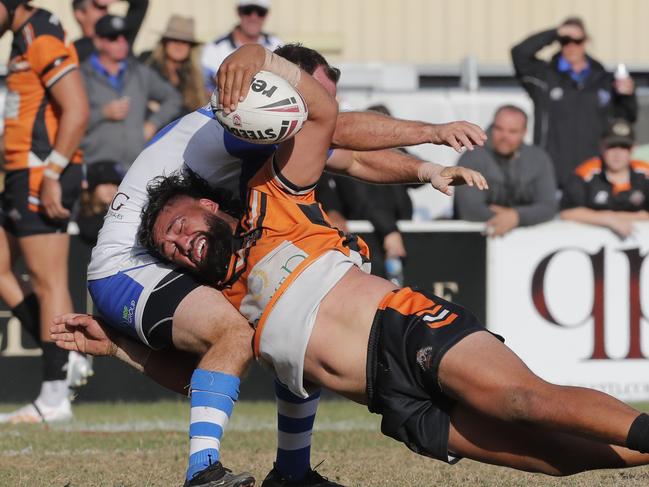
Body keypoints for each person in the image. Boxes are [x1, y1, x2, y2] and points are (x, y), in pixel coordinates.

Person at [63, 47, 649, 480]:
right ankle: (292, 472)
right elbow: (197, 376)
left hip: (404, 328)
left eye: (181, 226)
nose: (179, 243)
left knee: (525, 403)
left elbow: (328, 127)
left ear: (212, 201)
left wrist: (258, 56)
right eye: (168, 248)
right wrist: (116, 347)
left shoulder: (276, 199)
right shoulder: (226, 308)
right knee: (552, 461)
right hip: (391, 401)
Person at [73, 41, 487, 487]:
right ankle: (203, 473)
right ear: (285, 82)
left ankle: (291, 472)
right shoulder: (248, 106)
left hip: (157, 251)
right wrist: (431, 130)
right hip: (127, 264)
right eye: (317, 94)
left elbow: (352, 158)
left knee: (288, 329)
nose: (321, 106)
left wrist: (425, 172)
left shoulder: (262, 117)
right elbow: (340, 131)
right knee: (234, 334)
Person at [0, 0, 90, 423]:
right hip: (21, 172)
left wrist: (53, 171)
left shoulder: (42, 33)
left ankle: (54, 396)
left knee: (48, 279)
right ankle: (66, 355)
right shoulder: (22, 39)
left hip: (41, 172)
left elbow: (77, 108)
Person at [511, 16, 637, 188]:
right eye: (565, 40)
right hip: (551, 175)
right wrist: (555, 32)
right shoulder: (544, 76)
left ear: (585, 41)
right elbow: (519, 54)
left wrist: (628, 95)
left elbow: (628, 117)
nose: (570, 45)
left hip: (593, 176)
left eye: (577, 40)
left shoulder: (604, 80)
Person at [80, 14, 182, 168]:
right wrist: (103, 112)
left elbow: (173, 98)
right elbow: (70, 119)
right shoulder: (81, 75)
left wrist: (153, 123)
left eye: (124, 36)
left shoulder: (140, 72)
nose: (121, 42)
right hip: (96, 165)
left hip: (136, 164)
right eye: (113, 37)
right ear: (98, 41)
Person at [454, 105, 558, 236]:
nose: (504, 136)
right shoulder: (472, 158)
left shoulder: (538, 159)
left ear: (524, 132)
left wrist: (516, 216)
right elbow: (469, 210)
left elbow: (548, 208)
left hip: (528, 243)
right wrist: (515, 216)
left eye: (512, 131)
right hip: (475, 241)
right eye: (499, 129)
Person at [560, 119, 649, 238]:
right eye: (612, 146)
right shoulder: (586, 173)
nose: (617, 153)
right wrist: (607, 219)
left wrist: (615, 217)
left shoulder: (644, 173)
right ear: (602, 147)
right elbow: (567, 212)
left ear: (632, 149)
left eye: (624, 147)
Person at [201, 0, 281, 93]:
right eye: (247, 11)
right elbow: (206, 88)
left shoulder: (276, 44)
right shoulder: (215, 49)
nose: (253, 17)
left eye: (260, 12)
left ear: (266, 15)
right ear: (238, 12)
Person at [140, 15, 205, 117]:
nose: (179, 46)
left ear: (190, 47)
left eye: (184, 42)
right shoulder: (147, 63)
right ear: (165, 42)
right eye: (174, 40)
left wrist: (164, 109)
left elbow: (194, 110)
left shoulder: (192, 76)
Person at [72, 0, 148, 63]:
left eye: (105, 7)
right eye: (99, 7)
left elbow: (141, 3)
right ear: (79, 14)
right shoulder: (75, 51)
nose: (105, 11)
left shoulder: (121, 35)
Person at [77, 160, 124, 245]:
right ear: (92, 187)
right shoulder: (75, 214)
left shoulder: (122, 217)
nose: (110, 188)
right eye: (105, 183)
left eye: (114, 183)